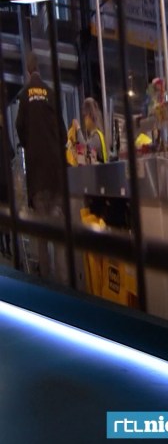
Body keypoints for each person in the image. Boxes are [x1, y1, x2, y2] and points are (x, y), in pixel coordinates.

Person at [15, 52, 68, 278]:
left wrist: (30, 145)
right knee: (59, 235)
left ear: (28, 72)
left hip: (37, 177)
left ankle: (46, 283)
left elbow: (19, 127)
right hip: (56, 175)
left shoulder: (24, 95)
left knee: (42, 236)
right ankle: (63, 284)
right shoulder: (51, 93)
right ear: (39, 69)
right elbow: (63, 133)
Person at [67, 97, 108, 165]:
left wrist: (78, 128)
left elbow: (84, 148)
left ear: (89, 116)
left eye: (85, 117)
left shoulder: (97, 136)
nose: (84, 121)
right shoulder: (96, 134)